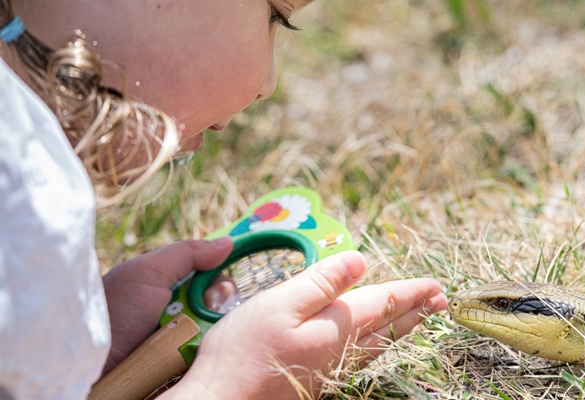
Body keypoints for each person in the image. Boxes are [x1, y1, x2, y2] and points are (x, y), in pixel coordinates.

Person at [0, 0, 449, 399]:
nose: (268, 84)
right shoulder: (27, 187)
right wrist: (228, 386)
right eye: (277, 16)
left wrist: (82, 335)